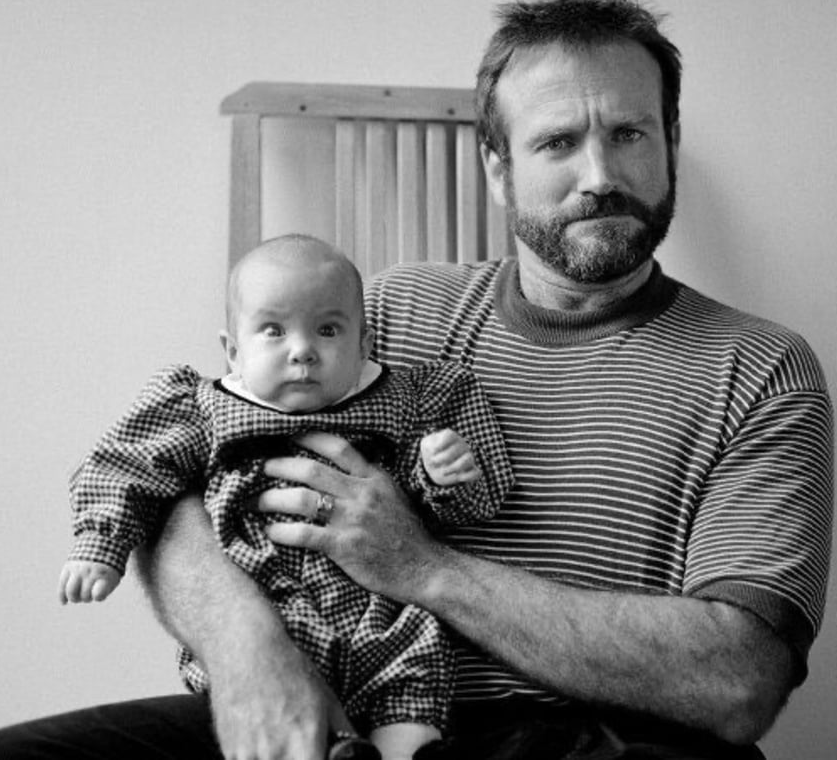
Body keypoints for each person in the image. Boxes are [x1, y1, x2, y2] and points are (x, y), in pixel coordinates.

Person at [0, 0, 833, 760]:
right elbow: (176, 476)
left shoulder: (758, 367)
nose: (600, 174)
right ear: (498, 169)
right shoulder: (388, 312)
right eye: (558, 142)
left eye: (629, 132)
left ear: (670, 140)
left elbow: (736, 681)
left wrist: (424, 568)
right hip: (329, 706)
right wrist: (248, 653)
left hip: (596, 740)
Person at [58, 234, 515, 760]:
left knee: (415, 658)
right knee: (285, 698)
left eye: (328, 330)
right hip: (272, 610)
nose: (302, 351)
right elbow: (131, 464)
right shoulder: (206, 409)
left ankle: (405, 748)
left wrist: (443, 470)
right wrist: (101, 544)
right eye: (274, 330)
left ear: (364, 345)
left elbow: (472, 501)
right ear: (233, 351)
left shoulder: (405, 401)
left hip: (382, 610)